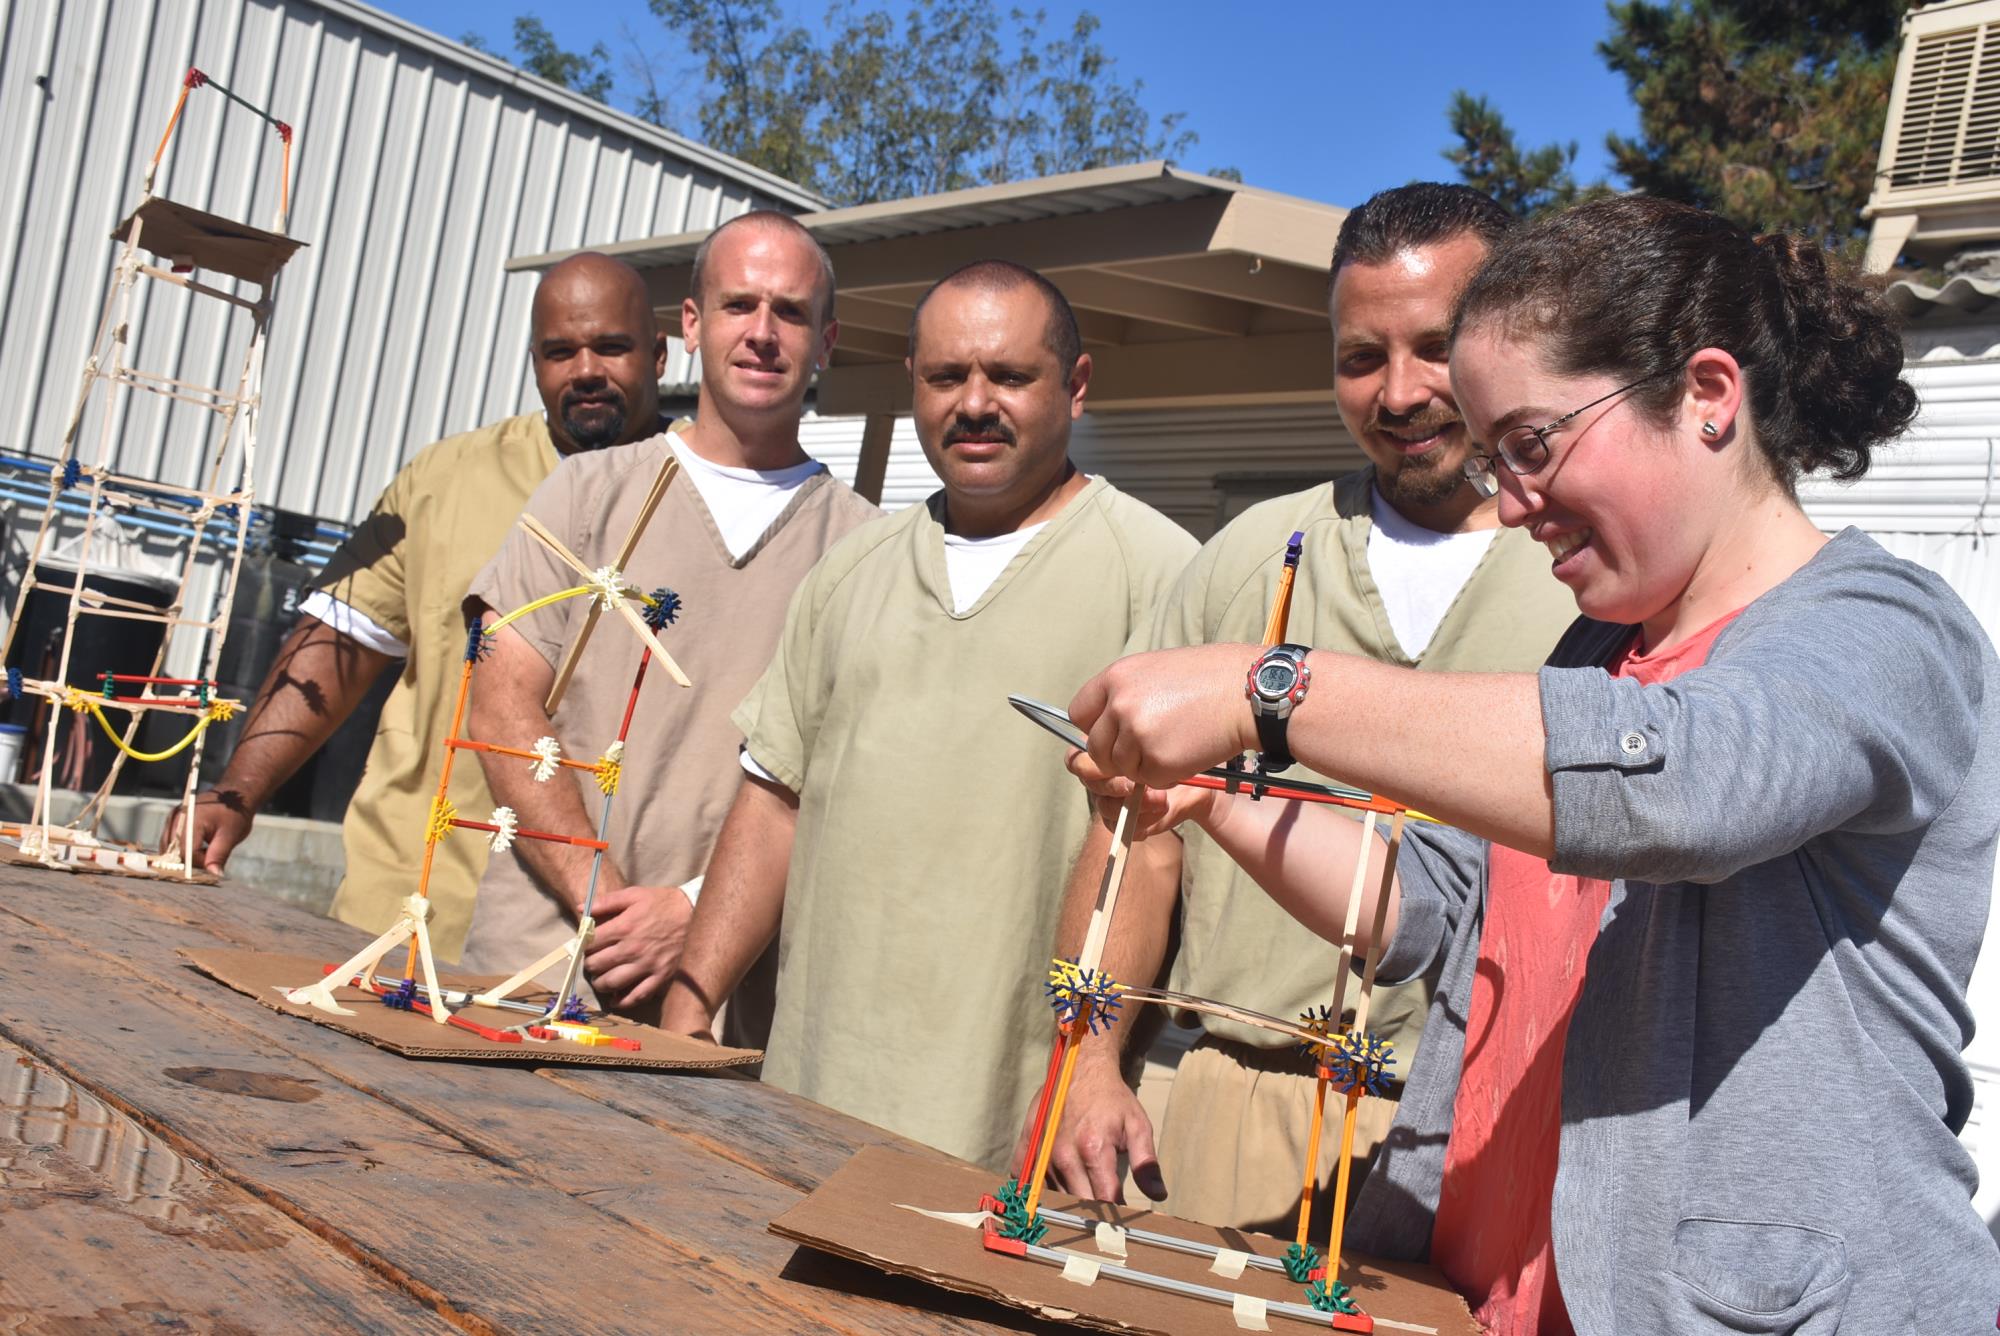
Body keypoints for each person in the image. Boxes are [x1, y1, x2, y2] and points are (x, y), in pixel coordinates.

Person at [1067, 194, 2000, 1333]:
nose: (1509, 506)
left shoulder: (1882, 629)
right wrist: (1205, 798)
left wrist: (1264, 689)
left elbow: (1680, 786)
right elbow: (1427, 902)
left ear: (1706, 397)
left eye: (1531, 445)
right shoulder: (1598, 654)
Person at [1040, 184, 1577, 1231]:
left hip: (1499, 1126)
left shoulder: (1584, 571)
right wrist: (1089, 1058)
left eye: (1436, 346)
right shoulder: (1248, 559)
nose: (1399, 390)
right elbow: (1134, 842)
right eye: (1359, 356)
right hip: (1233, 1108)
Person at [659, 260, 1197, 1170]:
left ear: (1075, 385)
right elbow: (772, 799)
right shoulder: (850, 573)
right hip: (804, 1095)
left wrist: (1091, 1057)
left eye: (1010, 377)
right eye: (947, 377)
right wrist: (688, 1006)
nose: (975, 403)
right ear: (914, 382)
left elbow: (1155, 845)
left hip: (1003, 1120)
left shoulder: (1164, 577)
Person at [171, 251, 673, 960]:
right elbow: (341, 641)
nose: (586, 369)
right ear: (534, 362)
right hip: (407, 905)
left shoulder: (695, 496)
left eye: (611, 347)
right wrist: (236, 793)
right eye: (560, 352)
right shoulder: (448, 478)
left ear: (658, 354)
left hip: (594, 939)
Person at [459, 211, 878, 1022]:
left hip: (726, 1002)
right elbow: (501, 706)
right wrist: (602, 899)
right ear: (691, 325)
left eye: (791, 312)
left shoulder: (868, 550)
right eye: (738, 305)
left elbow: (851, 788)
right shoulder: (583, 495)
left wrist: (693, 909)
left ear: (826, 342)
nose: (762, 333)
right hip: (540, 964)